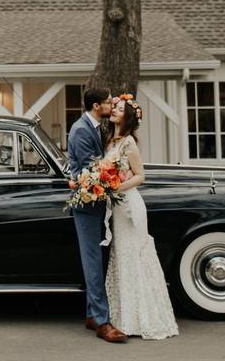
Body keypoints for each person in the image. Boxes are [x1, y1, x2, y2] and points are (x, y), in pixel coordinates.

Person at [104, 94, 179, 340]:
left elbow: (139, 176)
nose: (114, 109)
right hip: (116, 208)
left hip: (129, 207)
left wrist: (116, 187)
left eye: (119, 108)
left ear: (127, 117)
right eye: (115, 106)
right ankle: (126, 317)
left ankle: (143, 317)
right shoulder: (110, 142)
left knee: (133, 257)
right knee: (122, 257)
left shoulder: (128, 144)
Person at [67, 86, 127, 343]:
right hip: (88, 206)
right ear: (96, 107)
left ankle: (92, 314)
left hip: (98, 203)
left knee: (96, 261)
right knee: (93, 263)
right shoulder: (81, 130)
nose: (110, 106)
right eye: (106, 103)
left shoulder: (94, 127)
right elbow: (89, 170)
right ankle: (103, 322)